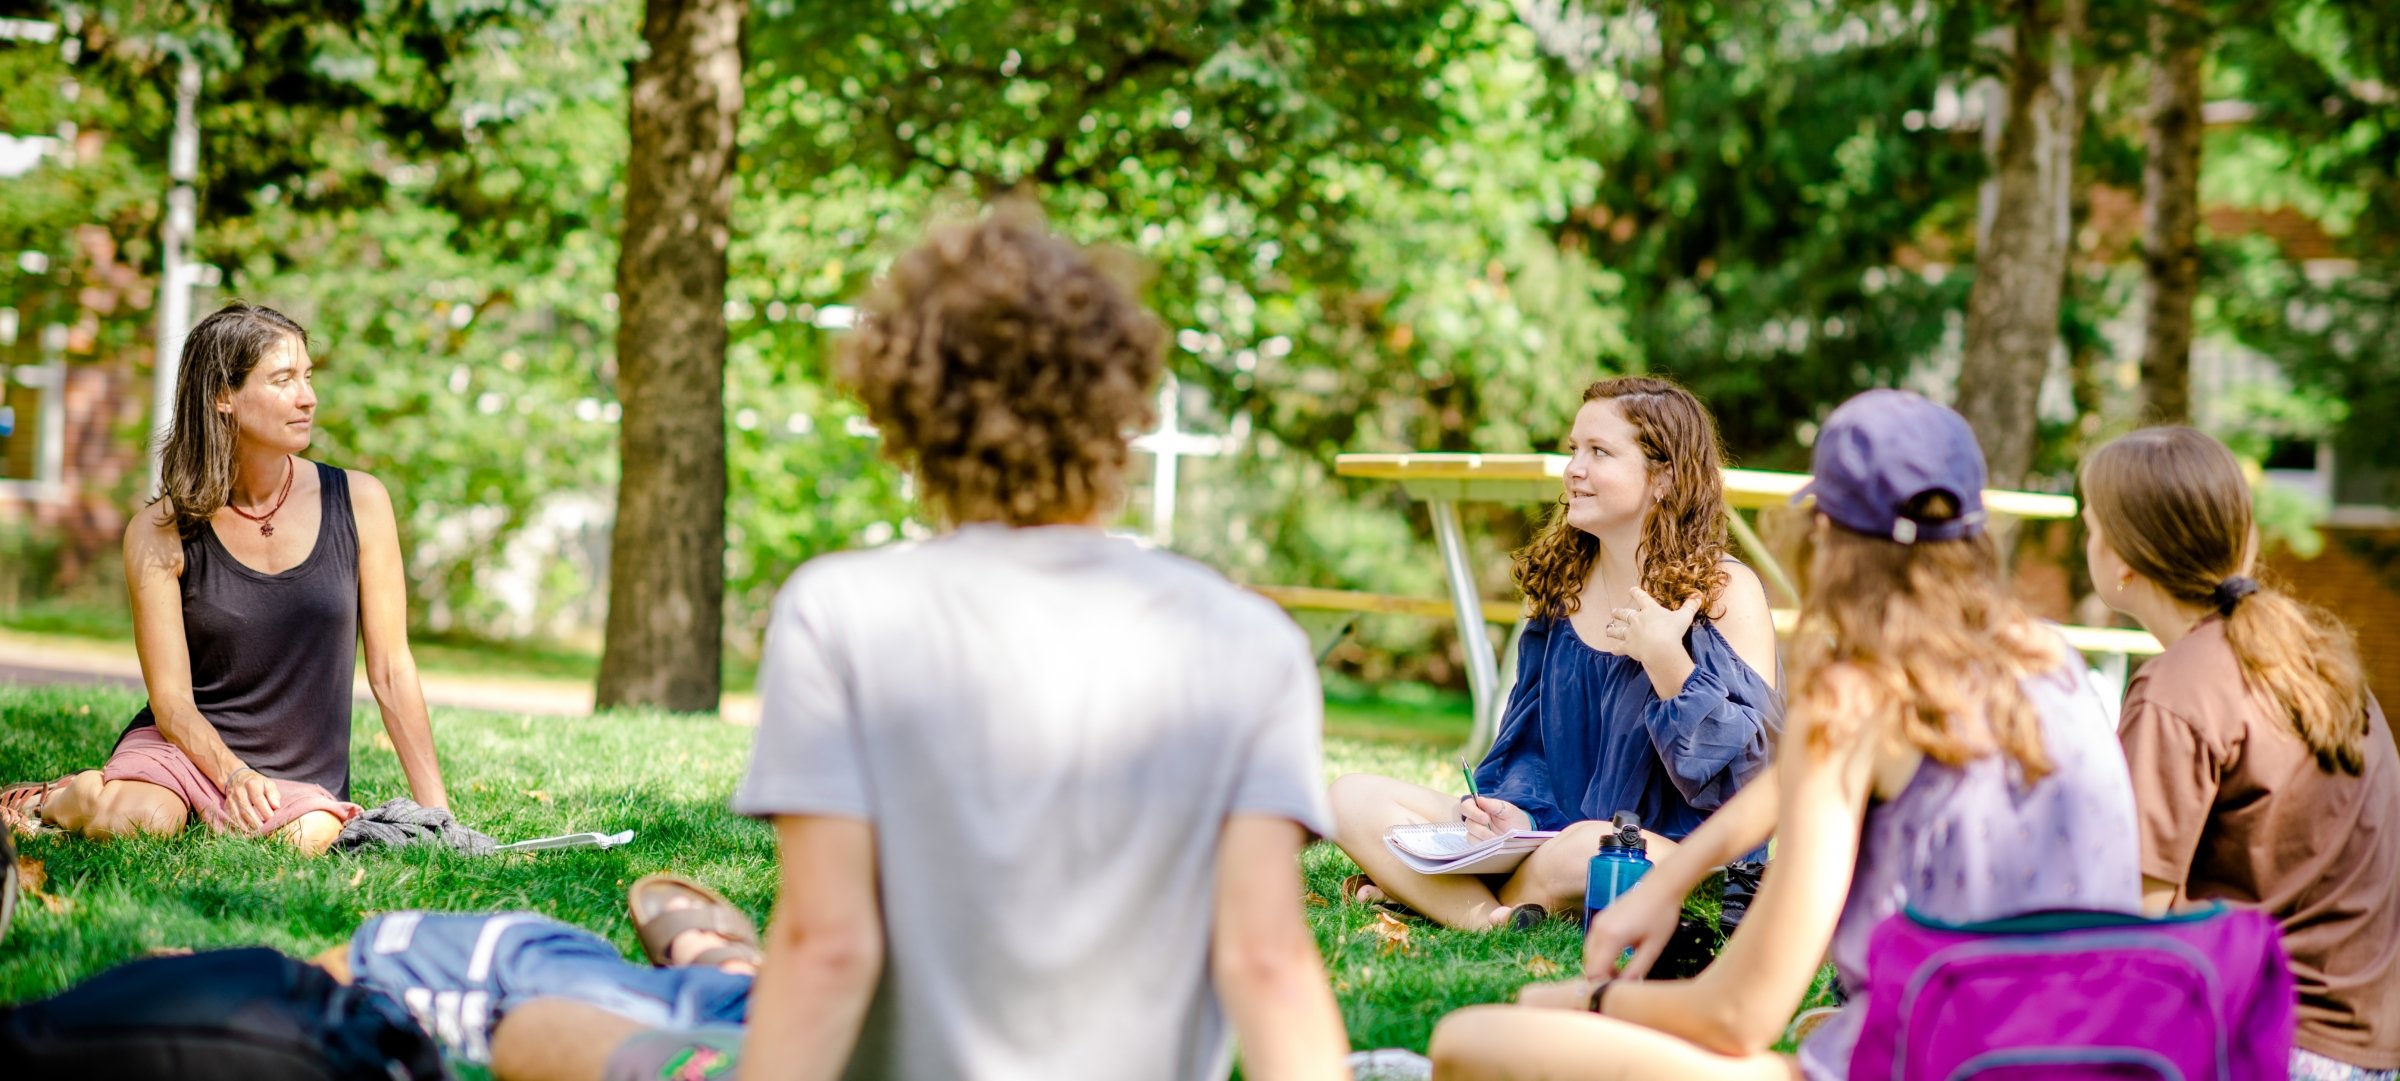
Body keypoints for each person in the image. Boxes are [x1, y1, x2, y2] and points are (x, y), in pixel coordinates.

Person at [704, 204, 1342, 1081]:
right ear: (1120, 407)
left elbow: (827, 945)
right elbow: (1266, 961)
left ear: (906, 412)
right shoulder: (1245, 637)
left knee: (559, 1029)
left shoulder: (842, 609)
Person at [1424, 389, 2144, 1080]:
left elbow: (1739, 1012)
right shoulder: (2052, 660)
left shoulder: (1859, 693)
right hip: (2099, 1055)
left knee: (1480, 1038)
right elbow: (1783, 787)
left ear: (1824, 529)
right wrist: (1671, 877)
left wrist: (1589, 1001)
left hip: (1922, 1062)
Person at [1328, 376, 1780, 931]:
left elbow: (1751, 783)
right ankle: (1495, 918)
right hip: (1548, 827)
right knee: (1348, 798)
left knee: (1589, 847)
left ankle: (1444, 900)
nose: (1573, 470)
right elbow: (1531, 741)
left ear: (1663, 476)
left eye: (1599, 453)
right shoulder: (1563, 583)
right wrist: (1510, 811)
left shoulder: (1723, 592)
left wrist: (1668, 662)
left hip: (1670, 845)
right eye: (1573, 450)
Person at [0, 302, 451, 854]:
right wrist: (232, 774)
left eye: (307, 377)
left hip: (295, 777)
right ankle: (56, 798)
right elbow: (171, 703)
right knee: (138, 820)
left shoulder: (361, 502)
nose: (307, 397)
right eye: (283, 380)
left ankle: (204, 811)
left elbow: (390, 669)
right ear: (223, 396)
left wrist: (439, 817)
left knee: (312, 837)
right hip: (185, 751)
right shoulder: (160, 531)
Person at [2084, 427, 2400, 1081]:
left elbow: (2131, 921)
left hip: (2263, 1044)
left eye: (2090, 526)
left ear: (2120, 558)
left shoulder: (2178, 688)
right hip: (2365, 1047)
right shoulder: (2316, 662)